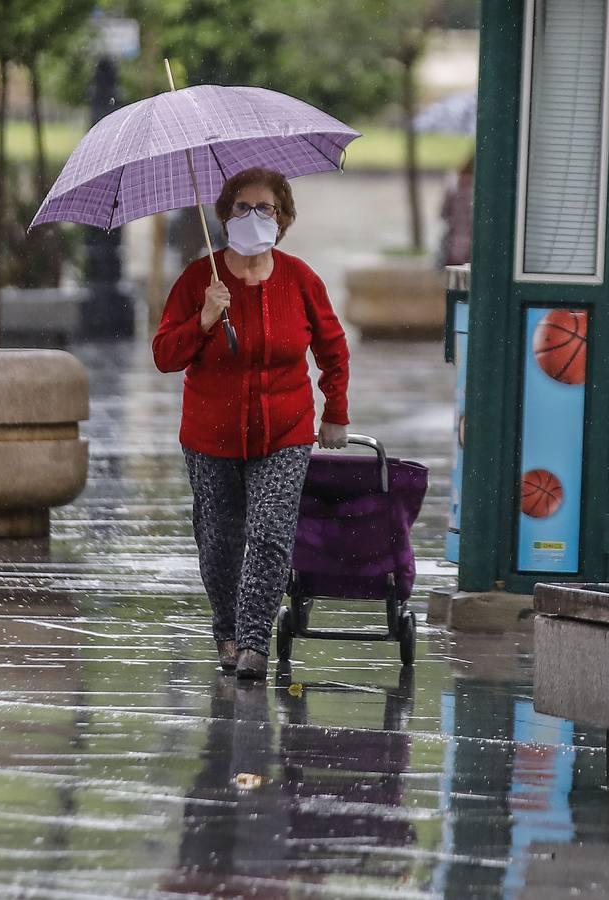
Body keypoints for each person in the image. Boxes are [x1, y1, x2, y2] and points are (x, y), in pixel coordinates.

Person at [152, 167, 351, 681]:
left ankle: (254, 644)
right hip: (209, 434)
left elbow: (332, 350)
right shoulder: (200, 280)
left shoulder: (300, 279)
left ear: (282, 218)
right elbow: (164, 356)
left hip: (284, 432)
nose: (254, 217)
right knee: (218, 538)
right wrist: (202, 320)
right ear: (223, 214)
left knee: (269, 533)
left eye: (266, 208)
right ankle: (227, 630)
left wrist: (335, 412)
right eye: (243, 206)